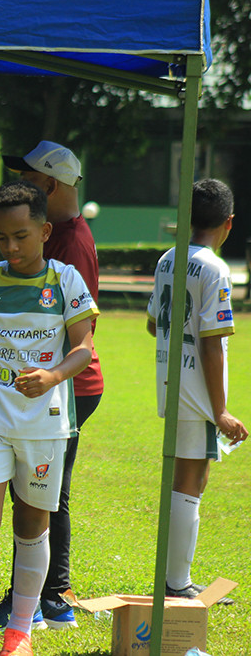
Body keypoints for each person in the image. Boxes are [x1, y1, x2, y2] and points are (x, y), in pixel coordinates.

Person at [0, 181, 98, 656]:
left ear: (44, 231)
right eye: (2, 237)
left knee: (32, 525)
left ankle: (19, 633)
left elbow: (84, 348)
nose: (10, 247)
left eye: (20, 236)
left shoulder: (65, 281)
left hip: (43, 426)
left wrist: (53, 376)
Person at [0, 140, 104, 629]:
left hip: (65, 387)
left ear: (49, 185)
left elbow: (79, 330)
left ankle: (48, 597)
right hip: (51, 383)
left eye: (27, 178)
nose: (18, 185)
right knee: (38, 491)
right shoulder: (58, 235)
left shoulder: (69, 242)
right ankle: (44, 596)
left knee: (41, 494)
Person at [146, 179, 246, 602]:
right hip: (196, 393)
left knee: (184, 480)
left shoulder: (168, 258)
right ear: (229, 223)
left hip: (171, 382)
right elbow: (211, 342)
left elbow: (153, 323)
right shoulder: (215, 268)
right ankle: (177, 583)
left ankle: (175, 579)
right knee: (191, 482)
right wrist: (220, 411)